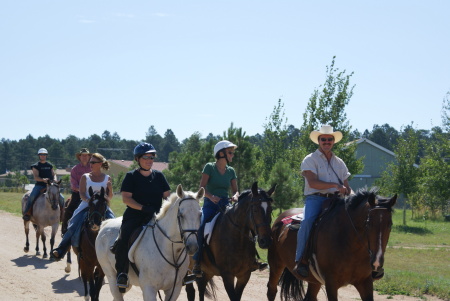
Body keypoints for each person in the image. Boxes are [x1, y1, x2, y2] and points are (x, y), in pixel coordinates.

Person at [192, 140, 267, 277]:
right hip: (210, 205)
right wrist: (211, 196)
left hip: (226, 205)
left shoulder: (231, 171)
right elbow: (201, 188)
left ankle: (253, 258)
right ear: (221, 154)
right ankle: (197, 261)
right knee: (201, 227)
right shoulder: (209, 167)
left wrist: (235, 197)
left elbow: (235, 191)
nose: (233, 155)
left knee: (247, 225)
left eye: (232, 152)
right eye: (230, 152)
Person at [294, 125, 352, 278]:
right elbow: (313, 183)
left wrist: (354, 197)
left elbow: (347, 186)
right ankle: (301, 259)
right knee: (307, 222)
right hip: (316, 199)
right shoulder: (309, 159)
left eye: (330, 139)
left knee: (356, 221)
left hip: (337, 201)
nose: (327, 142)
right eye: (324, 139)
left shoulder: (339, 162)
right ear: (318, 141)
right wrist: (335, 185)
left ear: (334, 141)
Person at [115, 142, 171, 290]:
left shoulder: (159, 176)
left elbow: (167, 197)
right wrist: (143, 208)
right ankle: (122, 273)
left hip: (157, 216)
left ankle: (184, 271)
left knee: (177, 235)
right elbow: (126, 199)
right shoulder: (130, 176)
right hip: (135, 216)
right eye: (146, 157)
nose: (149, 160)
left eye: (152, 157)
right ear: (138, 159)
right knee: (123, 239)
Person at [51, 152, 115, 260]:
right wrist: (89, 201)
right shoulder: (85, 177)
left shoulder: (107, 178)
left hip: (101, 206)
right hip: (86, 204)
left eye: (93, 162)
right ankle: (61, 249)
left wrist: (110, 188)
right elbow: (82, 194)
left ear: (100, 164)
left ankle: (116, 251)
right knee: (73, 223)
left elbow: (109, 197)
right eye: (90, 162)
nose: (91, 164)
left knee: (115, 225)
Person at [23, 148, 65, 221]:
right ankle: (27, 213)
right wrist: (43, 180)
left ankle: (62, 214)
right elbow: (36, 177)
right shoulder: (35, 166)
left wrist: (54, 179)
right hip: (40, 185)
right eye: (41, 155)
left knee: (61, 197)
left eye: (44, 155)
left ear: (46, 156)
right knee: (32, 196)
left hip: (50, 185)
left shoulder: (50, 165)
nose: (43, 156)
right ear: (39, 156)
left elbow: (53, 174)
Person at [62, 148, 92, 235]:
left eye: (86, 155)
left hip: (91, 194)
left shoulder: (93, 167)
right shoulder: (75, 169)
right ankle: (64, 231)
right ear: (80, 157)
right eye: (83, 155)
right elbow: (74, 185)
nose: (85, 157)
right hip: (77, 194)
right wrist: (83, 189)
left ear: (89, 157)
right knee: (68, 210)